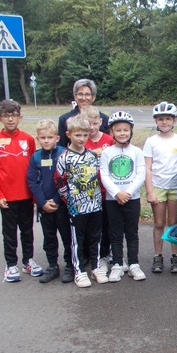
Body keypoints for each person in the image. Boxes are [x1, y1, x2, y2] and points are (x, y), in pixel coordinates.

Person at [0, 99, 41, 283]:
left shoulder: (27, 139)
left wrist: (35, 194)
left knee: (27, 230)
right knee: (9, 232)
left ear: (20, 117)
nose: (10, 119)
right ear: (0, 119)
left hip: (26, 195)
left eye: (14, 115)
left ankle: (28, 261)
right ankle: (11, 264)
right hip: (7, 197)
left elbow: (34, 169)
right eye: (6, 116)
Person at [54, 115, 104, 288]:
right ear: (69, 134)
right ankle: (79, 271)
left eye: (84, 135)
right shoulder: (64, 157)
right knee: (77, 240)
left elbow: (97, 177)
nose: (82, 139)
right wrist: (70, 202)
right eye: (78, 135)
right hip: (77, 208)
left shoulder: (92, 156)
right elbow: (60, 182)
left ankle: (96, 267)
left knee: (95, 237)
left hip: (95, 205)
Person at [99, 111, 146, 283]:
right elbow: (104, 174)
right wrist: (116, 193)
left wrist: (128, 192)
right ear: (111, 132)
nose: (122, 133)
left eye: (125, 130)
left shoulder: (136, 152)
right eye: (118, 130)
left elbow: (141, 174)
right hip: (113, 199)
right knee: (115, 233)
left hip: (131, 199)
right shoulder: (107, 153)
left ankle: (134, 263)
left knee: (132, 233)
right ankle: (118, 264)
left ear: (131, 131)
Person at [144, 102, 177, 274]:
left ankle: (175, 256)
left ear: (175, 120)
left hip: (176, 187)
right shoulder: (151, 141)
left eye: (168, 119)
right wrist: (149, 191)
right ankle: (158, 255)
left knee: (173, 223)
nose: (164, 122)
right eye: (161, 119)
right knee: (159, 223)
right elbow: (147, 167)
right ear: (156, 121)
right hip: (158, 186)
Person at [26, 119, 71, 284]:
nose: (46, 140)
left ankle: (70, 265)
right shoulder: (35, 158)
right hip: (45, 206)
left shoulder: (64, 154)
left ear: (57, 138)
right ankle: (52, 266)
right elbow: (32, 181)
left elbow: (68, 179)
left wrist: (58, 199)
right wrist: (42, 201)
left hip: (63, 204)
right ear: (38, 138)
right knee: (49, 237)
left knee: (67, 237)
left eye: (50, 137)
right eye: (42, 137)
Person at [83, 105, 114, 268]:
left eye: (95, 123)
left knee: (108, 225)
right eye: (88, 124)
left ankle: (106, 252)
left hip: (107, 192)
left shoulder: (109, 140)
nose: (92, 127)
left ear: (101, 122)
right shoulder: (81, 141)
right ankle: (90, 253)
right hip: (89, 193)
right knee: (92, 226)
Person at [58, 78, 110, 147]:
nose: (84, 98)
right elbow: (61, 146)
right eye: (80, 94)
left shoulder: (105, 119)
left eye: (87, 94)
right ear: (75, 97)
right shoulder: (64, 119)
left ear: (93, 97)